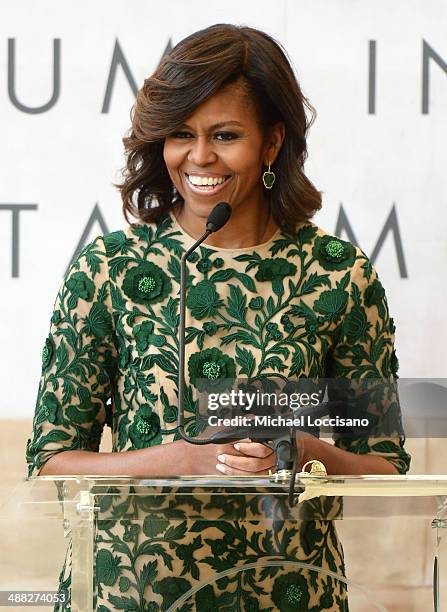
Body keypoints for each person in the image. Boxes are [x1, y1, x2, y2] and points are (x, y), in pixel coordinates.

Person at [26, 23, 410, 611]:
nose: (199, 157)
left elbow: (385, 463)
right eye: (180, 134)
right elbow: (52, 458)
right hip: (132, 595)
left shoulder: (337, 275)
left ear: (272, 143)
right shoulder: (111, 268)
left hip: (290, 593)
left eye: (226, 135)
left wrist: (307, 451)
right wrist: (173, 458)